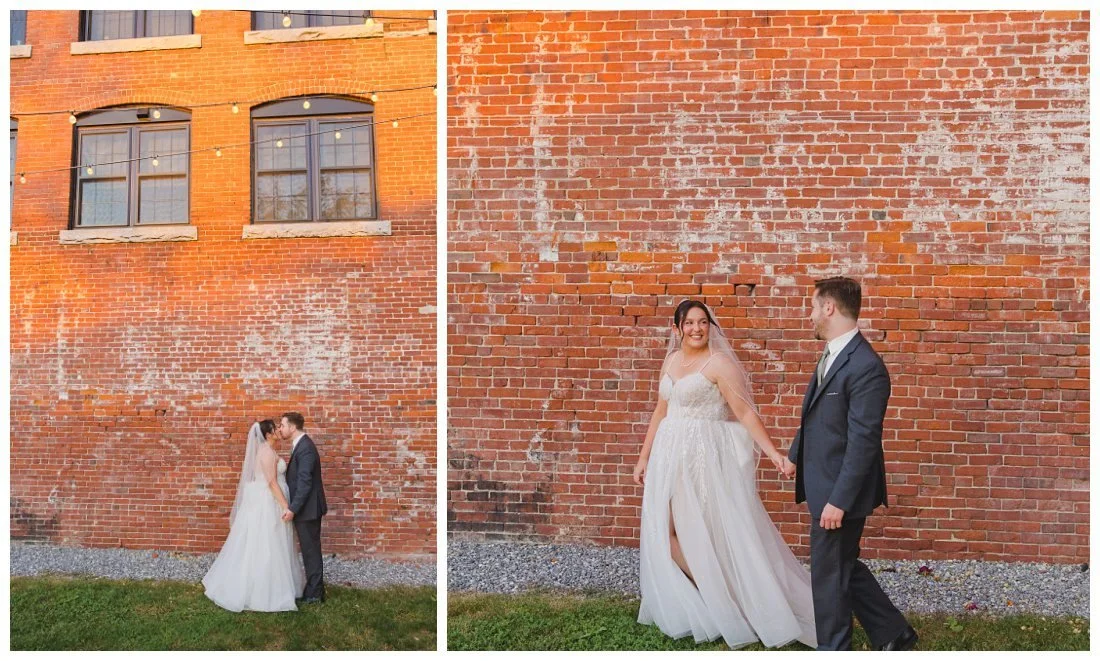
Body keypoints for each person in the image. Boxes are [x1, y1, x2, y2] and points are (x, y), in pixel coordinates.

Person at [634, 300, 816, 649]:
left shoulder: (720, 364)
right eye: (689, 323)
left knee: (704, 530)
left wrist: (774, 454)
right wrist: (644, 458)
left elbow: (744, 414)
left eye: (703, 322)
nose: (697, 329)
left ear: (710, 326)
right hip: (667, 456)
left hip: (702, 457)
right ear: (677, 329)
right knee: (663, 531)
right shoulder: (671, 361)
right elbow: (660, 411)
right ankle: (716, 595)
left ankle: (733, 600)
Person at [788, 277, 917, 650]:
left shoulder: (866, 366)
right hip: (824, 480)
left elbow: (863, 442)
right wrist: (795, 456)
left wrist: (839, 501)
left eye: (814, 306)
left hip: (839, 491)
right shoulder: (833, 352)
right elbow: (818, 415)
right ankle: (894, 633)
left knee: (828, 577)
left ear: (829, 308)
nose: (810, 314)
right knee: (841, 564)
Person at [203, 419, 305, 612]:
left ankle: (279, 585)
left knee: (275, 541)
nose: (279, 430)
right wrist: (286, 506)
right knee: (267, 543)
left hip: (271, 500)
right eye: (275, 428)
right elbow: (271, 482)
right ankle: (263, 591)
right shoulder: (266, 452)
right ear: (268, 434)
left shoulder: (270, 450)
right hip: (268, 502)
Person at [279, 411, 328, 603]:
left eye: (283, 425)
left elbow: (305, 483)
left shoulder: (305, 448)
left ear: (292, 427)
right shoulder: (301, 445)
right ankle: (313, 589)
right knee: (309, 550)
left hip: (308, 509)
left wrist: (293, 509)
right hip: (306, 508)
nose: (280, 429)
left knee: (311, 551)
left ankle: (315, 594)